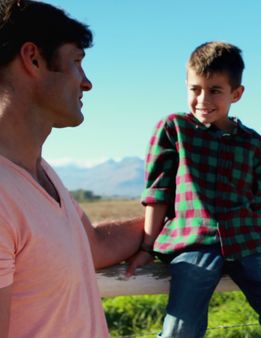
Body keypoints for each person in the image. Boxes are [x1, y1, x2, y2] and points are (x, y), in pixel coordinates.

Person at [125, 41, 261, 338]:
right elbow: (158, 192)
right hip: (193, 241)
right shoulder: (174, 129)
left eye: (215, 90)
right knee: (179, 332)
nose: (202, 99)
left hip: (247, 242)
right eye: (195, 89)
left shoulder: (252, 142)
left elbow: (255, 203)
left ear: (237, 93)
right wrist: (146, 247)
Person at [0, 1, 144, 337]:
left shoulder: (41, 171)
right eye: (77, 62)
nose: (87, 82)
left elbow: (93, 245)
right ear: (33, 58)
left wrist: (178, 215)